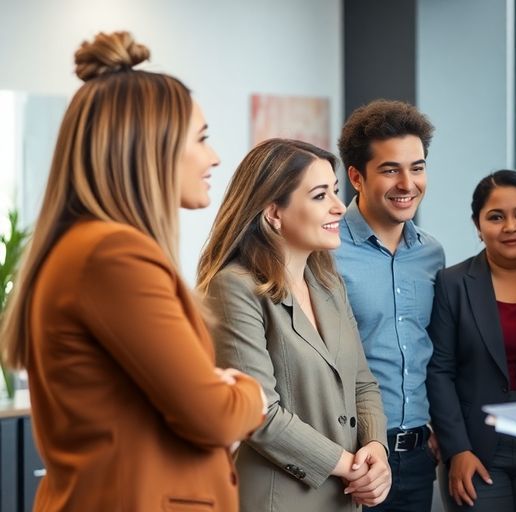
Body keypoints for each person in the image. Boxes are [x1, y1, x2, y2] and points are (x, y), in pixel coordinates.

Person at [0, 32, 266, 511]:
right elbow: (214, 416)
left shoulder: (88, 248)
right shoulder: (114, 256)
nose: (214, 157)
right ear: (151, 148)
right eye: (202, 139)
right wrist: (251, 394)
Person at [196, 138, 391, 511]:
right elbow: (258, 412)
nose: (339, 206)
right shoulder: (233, 286)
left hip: (345, 498)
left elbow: (362, 382)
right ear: (274, 213)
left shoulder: (329, 284)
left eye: (335, 191)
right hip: (278, 500)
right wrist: (352, 467)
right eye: (320, 196)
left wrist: (375, 449)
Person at [334, 100, 445, 512]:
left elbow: (434, 350)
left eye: (417, 168)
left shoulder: (431, 253)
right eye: (390, 170)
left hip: (418, 454)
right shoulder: (325, 250)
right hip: (350, 456)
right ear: (356, 177)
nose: (407, 183)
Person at [427, 170, 516, 512]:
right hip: (477, 447)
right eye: (496, 217)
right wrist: (457, 450)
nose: (510, 227)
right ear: (478, 226)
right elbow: (439, 371)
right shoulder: (452, 284)